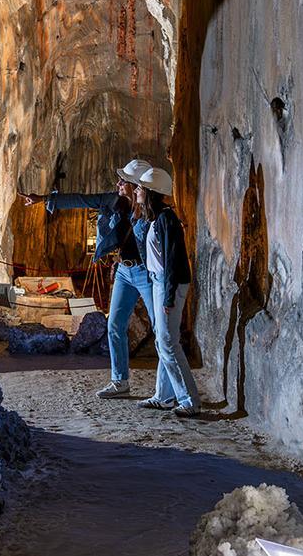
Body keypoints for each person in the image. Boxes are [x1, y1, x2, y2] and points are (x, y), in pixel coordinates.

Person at [19, 159, 154, 398]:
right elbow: (82, 199)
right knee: (114, 325)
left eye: (123, 181)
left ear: (136, 186)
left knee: (160, 330)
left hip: (145, 273)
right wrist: (43, 199)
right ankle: (119, 381)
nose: (118, 183)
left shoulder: (150, 210)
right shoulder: (113, 202)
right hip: (124, 271)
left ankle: (167, 389)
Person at [133, 166, 201, 417]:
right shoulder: (155, 218)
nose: (137, 190)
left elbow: (173, 261)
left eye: (141, 187)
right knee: (163, 342)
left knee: (169, 342)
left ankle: (189, 400)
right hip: (158, 281)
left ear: (151, 192)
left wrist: (169, 296)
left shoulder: (167, 220)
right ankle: (164, 396)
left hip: (168, 283)